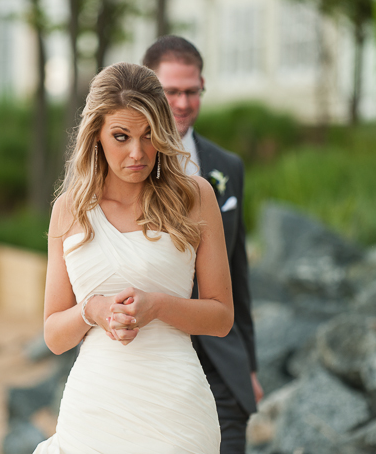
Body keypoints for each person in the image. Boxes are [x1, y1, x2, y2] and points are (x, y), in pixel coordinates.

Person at [34, 62, 234, 453]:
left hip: (176, 413)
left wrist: (157, 306)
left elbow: (222, 317)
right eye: (121, 136)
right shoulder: (68, 210)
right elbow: (54, 336)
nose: (137, 152)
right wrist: (92, 310)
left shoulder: (194, 197)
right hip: (92, 413)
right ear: (96, 135)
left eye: (148, 135)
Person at [143, 35, 264, 454]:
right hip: (151, 361)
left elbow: (237, 273)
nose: (181, 103)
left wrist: (247, 365)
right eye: (170, 91)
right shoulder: (126, 168)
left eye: (191, 91)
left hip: (221, 367)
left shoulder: (227, 168)